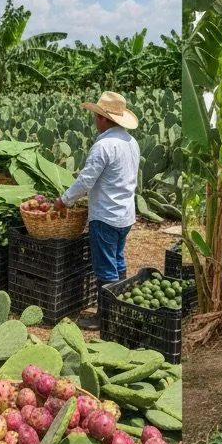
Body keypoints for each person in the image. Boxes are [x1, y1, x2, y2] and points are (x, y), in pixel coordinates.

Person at [54, 91, 140, 323]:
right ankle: (120, 306)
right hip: (125, 215)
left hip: (105, 215)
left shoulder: (103, 146)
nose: (95, 120)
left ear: (103, 119)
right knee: (118, 260)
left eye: (96, 116)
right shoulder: (131, 142)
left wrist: (64, 200)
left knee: (105, 268)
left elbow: (85, 180)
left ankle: (105, 316)